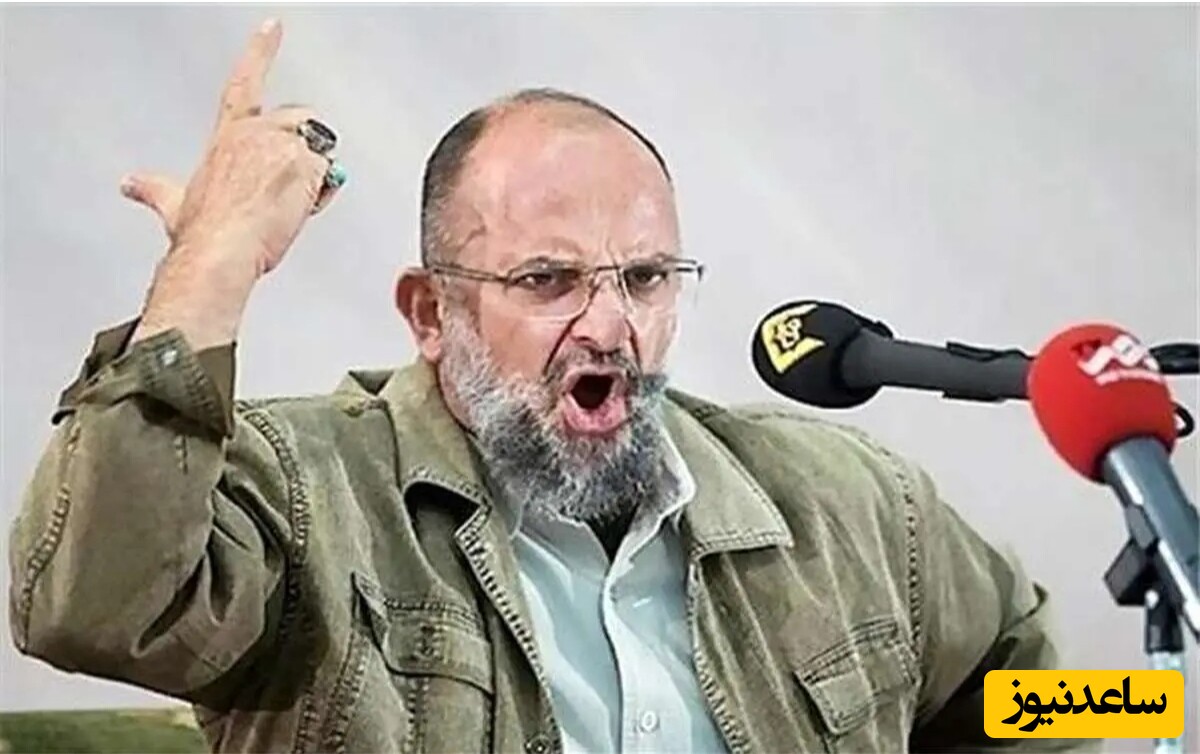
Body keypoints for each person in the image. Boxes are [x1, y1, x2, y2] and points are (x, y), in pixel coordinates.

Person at [8, 20, 1091, 754]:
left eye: (646, 277)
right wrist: (213, 262)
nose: (611, 324)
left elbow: (1057, 698)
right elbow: (87, 609)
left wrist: (1148, 698)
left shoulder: (852, 504)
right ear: (431, 314)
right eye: (548, 280)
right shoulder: (300, 492)